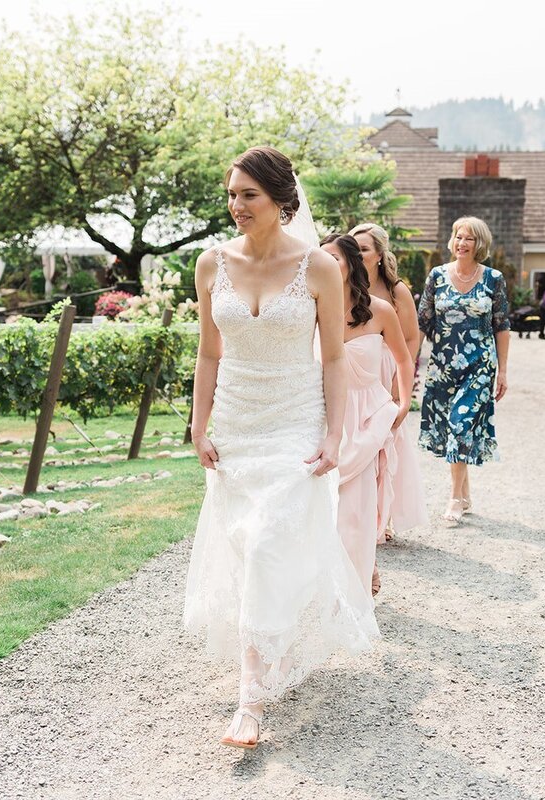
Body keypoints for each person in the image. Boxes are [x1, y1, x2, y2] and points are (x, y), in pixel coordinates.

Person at [184, 146, 380, 750]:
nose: (236, 206)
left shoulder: (319, 268)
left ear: (281, 201)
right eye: (231, 194)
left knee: (270, 540)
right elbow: (209, 352)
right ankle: (265, 650)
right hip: (238, 427)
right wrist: (199, 423)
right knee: (247, 546)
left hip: (296, 424)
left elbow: (333, 357)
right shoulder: (210, 264)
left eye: (249, 195)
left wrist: (332, 434)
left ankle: (249, 701)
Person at [320, 233, 413, 597]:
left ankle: (355, 585)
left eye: (336, 259)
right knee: (327, 506)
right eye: (322, 259)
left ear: (351, 266)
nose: (328, 265)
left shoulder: (380, 310)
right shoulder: (312, 311)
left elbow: (403, 359)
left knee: (357, 510)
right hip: (326, 417)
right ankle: (331, 583)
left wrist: (403, 403)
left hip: (367, 418)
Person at [417, 216, 511, 522]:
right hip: (443, 366)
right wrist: (409, 364)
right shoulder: (437, 276)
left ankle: (455, 498)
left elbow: (502, 326)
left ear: (479, 243)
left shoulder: (493, 279)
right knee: (452, 430)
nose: (461, 243)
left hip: (479, 365)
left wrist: (503, 371)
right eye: (458, 236)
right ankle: (465, 491)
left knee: (460, 423)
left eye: (468, 238)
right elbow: (423, 323)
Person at [349, 223, 428, 537]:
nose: (357, 254)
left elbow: (410, 339)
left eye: (364, 249)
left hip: (387, 370)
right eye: (353, 248)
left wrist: (398, 384)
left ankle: (384, 516)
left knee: (386, 443)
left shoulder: (396, 291)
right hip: (358, 369)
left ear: (379, 255)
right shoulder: (343, 284)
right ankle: (361, 513)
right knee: (358, 441)